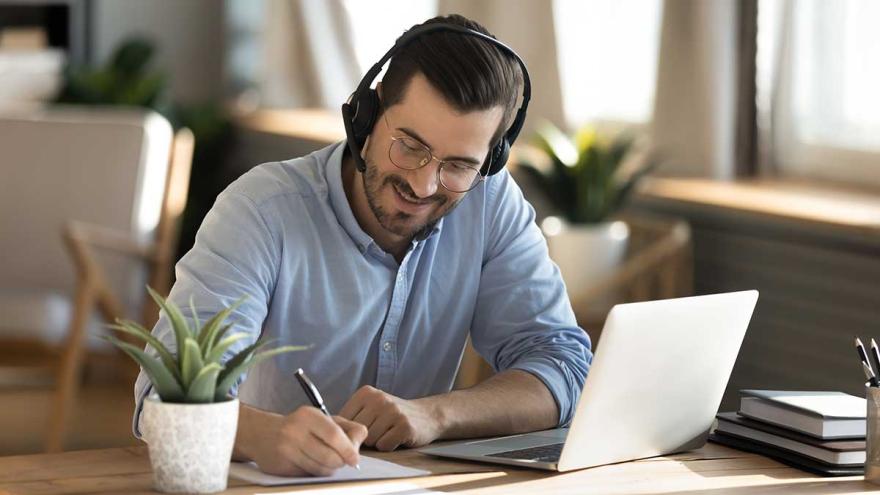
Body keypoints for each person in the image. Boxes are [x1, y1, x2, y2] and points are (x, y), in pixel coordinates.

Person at [133, 14, 592, 477]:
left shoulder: (489, 202)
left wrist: (433, 415)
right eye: (410, 146)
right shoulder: (261, 210)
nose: (424, 183)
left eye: (457, 165)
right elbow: (163, 398)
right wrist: (263, 434)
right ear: (365, 117)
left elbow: (562, 365)